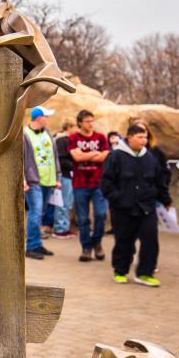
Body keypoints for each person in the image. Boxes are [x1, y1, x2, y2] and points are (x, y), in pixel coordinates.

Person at [101, 124, 171, 286]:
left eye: (145, 137)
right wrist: (117, 199)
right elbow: (106, 183)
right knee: (124, 241)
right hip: (123, 208)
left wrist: (165, 199)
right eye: (139, 137)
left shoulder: (150, 158)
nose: (143, 140)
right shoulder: (116, 156)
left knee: (150, 240)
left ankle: (145, 273)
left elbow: (159, 181)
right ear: (129, 137)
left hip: (147, 207)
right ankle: (120, 270)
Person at [69, 109, 110, 262]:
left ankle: (97, 242)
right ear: (80, 123)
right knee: (83, 218)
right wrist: (94, 153)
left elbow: (103, 157)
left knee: (100, 215)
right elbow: (76, 157)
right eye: (88, 121)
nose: (91, 124)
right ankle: (86, 248)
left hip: (98, 183)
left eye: (92, 121)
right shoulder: (73, 138)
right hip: (80, 184)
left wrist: (86, 154)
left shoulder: (101, 137)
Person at [23, 105, 57, 260]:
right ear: (38, 118)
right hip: (33, 181)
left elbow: (53, 155)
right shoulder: (24, 134)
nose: (48, 119)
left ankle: (37, 244)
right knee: (35, 214)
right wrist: (23, 178)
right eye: (46, 116)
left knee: (41, 214)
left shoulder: (47, 133)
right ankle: (30, 246)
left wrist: (57, 176)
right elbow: (20, 158)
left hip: (48, 181)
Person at [52, 119, 75, 238]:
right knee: (63, 203)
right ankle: (60, 229)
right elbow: (60, 159)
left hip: (68, 176)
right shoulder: (62, 140)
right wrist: (75, 165)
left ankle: (64, 227)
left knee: (67, 203)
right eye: (74, 127)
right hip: (64, 175)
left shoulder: (68, 140)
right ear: (69, 127)